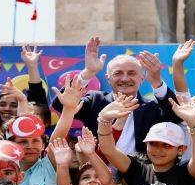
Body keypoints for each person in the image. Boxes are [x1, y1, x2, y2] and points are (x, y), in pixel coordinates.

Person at [52, 37, 182, 155]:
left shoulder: (152, 107)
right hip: (99, 172)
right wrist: (88, 72)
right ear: (108, 79)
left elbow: (177, 116)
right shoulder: (95, 100)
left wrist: (156, 81)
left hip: (139, 174)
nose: (125, 78)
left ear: (142, 78)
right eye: (118, 73)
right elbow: (60, 104)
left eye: (131, 73)